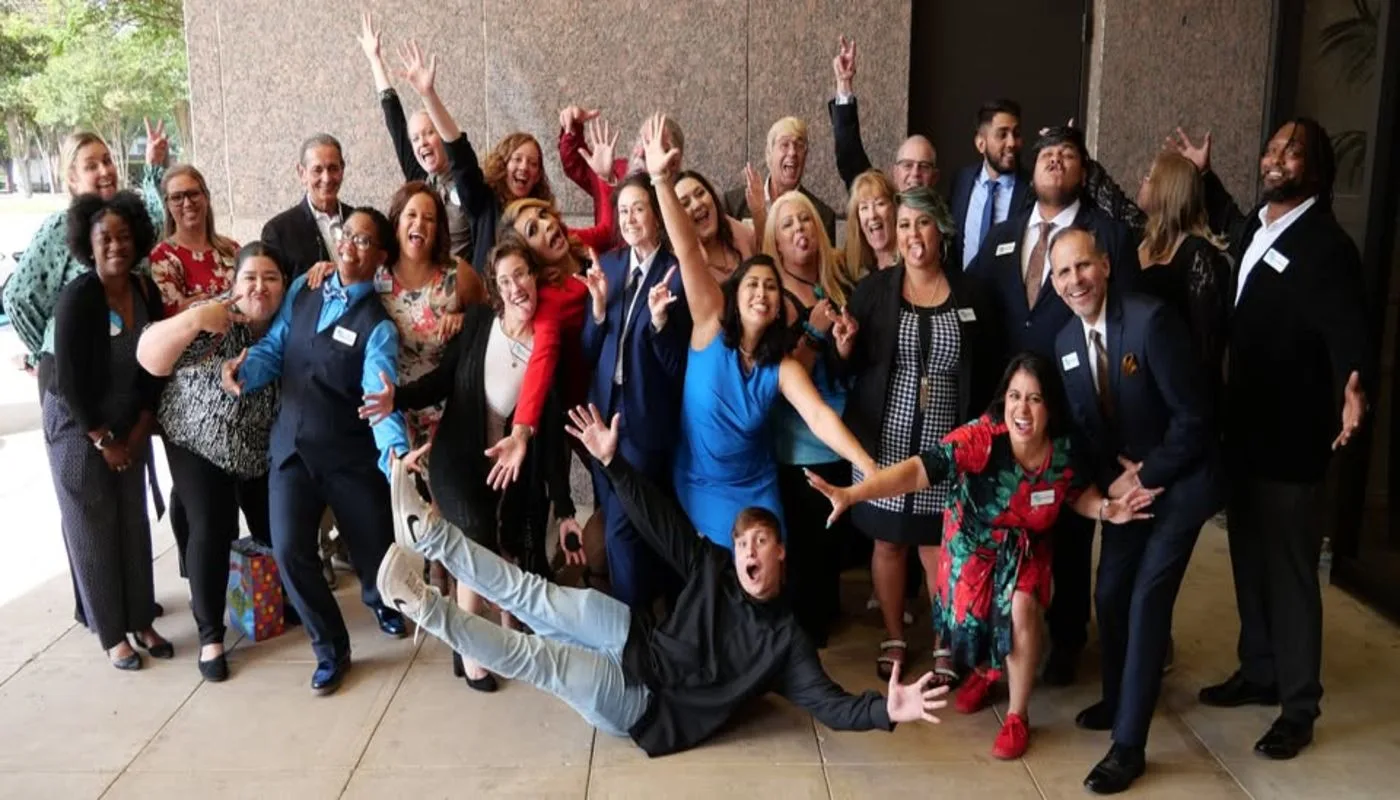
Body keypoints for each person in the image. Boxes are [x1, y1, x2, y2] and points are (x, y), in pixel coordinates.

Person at [374, 402, 951, 757]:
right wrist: (612, 463)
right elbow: (660, 522)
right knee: (534, 594)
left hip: (643, 705)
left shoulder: (786, 642)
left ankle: (422, 606)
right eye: (742, 542)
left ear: (781, 554)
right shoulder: (716, 567)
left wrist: (884, 710)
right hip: (632, 635)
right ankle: (427, 532)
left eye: (759, 543)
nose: (747, 551)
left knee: (536, 658)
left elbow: (829, 704)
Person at [807, 353, 1158, 760]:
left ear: (1050, 406)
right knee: (969, 626)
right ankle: (987, 672)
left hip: (1026, 547)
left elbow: (1076, 494)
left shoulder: (1063, 450)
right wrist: (853, 494)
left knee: (1021, 608)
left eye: (1035, 399)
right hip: (972, 546)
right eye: (1015, 396)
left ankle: (1016, 716)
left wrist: (1106, 510)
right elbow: (917, 471)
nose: (1022, 410)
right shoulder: (981, 439)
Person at [1174, 120, 1371, 760]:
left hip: (1292, 442)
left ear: (1316, 168)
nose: (1278, 157)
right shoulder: (1259, 225)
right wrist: (1205, 175)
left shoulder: (1328, 246)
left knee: (1289, 575)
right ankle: (1259, 670)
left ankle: (1299, 706)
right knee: (1249, 561)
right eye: (1274, 147)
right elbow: (1231, 223)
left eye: (1293, 150)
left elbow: (1349, 327)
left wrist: (1354, 384)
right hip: (1245, 431)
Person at [643, 113, 876, 547]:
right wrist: (659, 179)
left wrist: (868, 466)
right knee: (730, 561)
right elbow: (688, 250)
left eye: (771, 287)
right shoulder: (709, 324)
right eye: (752, 284)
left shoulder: (781, 367)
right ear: (735, 295)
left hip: (758, 482)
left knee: (773, 560)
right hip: (704, 483)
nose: (762, 293)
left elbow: (819, 416)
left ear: (778, 308)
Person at [363, 234, 581, 692]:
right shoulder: (480, 322)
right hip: (457, 460)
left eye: (522, 274)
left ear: (534, 277)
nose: (516, 286)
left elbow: (552, 431)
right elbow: (442, 380)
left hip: (508, 471)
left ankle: (496, 632)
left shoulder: (548, 342)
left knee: (506, 545)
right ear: (495, 288)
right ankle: (472, 652)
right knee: (478, 543)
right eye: (505, 280)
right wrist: (397, 398)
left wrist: (563, 506)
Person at [1049, 228, 1221, 793]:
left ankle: (1129, 745)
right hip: (1127, 490)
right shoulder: (1065, 342)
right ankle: (1118, 698)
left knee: (1147, 598)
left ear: (1104, 265)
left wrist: (1144, 476)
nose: (1075, 281)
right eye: (1063, 273)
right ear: (1054, 284)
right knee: (1109, 592)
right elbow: (1087, 434)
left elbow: (1195, 418)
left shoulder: (1151, 322)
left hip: (1183, 480)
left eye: (1083, 266)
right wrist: (1111, 489)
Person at [971, 125, 1137, 686]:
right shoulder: (1003, 235)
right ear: (1032, 169)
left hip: (1074, 413)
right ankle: (1002, 639)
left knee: (1069, 529)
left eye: (1068, 154)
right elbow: (976, 301)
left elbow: (1126, 323)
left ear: (1083, 171)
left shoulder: (1106, 237)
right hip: (1011, 414)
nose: (1055, 160)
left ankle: (1067, 638)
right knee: (1008, 527)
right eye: (1046, 154)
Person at [223, 207, 411, 695]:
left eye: (364, 240)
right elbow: (275, 348)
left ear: (381, 257)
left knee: (373, 550)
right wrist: (246, 370)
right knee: (290, 553)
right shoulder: (302, 292)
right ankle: (331, 649)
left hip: (348, 458)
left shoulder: (378, 326)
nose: (350, 244)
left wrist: (394, 455)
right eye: (347, 234)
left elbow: (379, 399)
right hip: (291, 451)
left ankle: (380, 601)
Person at [837, 186, 1003, 682]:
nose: (913, 234)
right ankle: (893, 635)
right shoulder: (874, 291)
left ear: (941, 230)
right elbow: (848, 366)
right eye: (905, 224)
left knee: (938, 548)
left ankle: (942, 642)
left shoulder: (972, 294)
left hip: (943, 449)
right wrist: (842, 347)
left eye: (922, 223)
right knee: (888, 543)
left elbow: (990, 368)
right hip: (884, 443)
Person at [137, 243, 288, 682]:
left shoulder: (289, 323)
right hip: (196, 436)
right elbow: (148, 355)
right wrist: (194, 319)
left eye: (271, 278)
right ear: (233, 283)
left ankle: (279, 599)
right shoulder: (215, 316)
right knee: (213, 523)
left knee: (274, 524)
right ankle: (210, 637)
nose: (259, 287)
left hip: (255, 447)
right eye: (250, 278)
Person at [48, 191, 171, 670]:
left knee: (133, 520)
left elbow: (156, 366)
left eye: (123, 236)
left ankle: (141, 619)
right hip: (78, 425)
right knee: (93, 526)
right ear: (89, 245)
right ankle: (113, 635)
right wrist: (102, 440)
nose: (116, 246)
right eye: (105, 239)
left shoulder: (145, 291)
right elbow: (69, 382)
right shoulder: (79, 298)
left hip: (128, 421)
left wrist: (138, 432)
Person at [579, 174, 692, 608]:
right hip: (601, 416)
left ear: (657, 215)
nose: (628, 219)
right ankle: (649, 610)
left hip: (643, 422)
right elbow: (589, 350)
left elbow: (679, 369)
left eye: (638, 208)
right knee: (620, 521)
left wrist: (661, 324)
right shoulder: (608, 267)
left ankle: (631, 628)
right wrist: (597, 310)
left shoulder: (676, 273)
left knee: (621, 530)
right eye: (622, 210)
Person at [761, 189, 857, 646]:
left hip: (838, 437)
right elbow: (784, 378)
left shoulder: (835, 286)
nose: (799, 229)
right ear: (776, 244)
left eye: (805, 221)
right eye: (787, 224)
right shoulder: (774, 299)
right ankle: (805, 635)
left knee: (829, 544)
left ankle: (824, 617)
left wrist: (844, 346)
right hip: (798, 445)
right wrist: (816, 334)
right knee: (804, 545)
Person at [148, 163, 241, 585]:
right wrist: (217, 305)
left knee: (222, 499)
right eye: (177, 197)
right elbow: (175, 316)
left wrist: (202, 303)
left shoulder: (231, 249)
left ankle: (226, 585)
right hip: (188, 398)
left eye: (194, 193)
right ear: (168, 205)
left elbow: (248, 299)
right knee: (205, 506)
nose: (187, 203)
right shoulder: (163, 258)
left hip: (236, 387)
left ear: (206, 196)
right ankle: (204, 594)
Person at [358, 12, 478, 262]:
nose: (421, 142)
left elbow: (457, 147)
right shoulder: (420, 181)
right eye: (415, 139)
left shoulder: (467, 181)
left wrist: (427, 94)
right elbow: (394, 122)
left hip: (460, 280)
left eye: (429, 133)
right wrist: (375, 60)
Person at [1134, 151, 1230, 415]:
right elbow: (1112, 202)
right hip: (1140, 388)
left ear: (1167, 189)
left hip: (1178, 397)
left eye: (1149, 176)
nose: (1142, 181)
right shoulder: (1139, 238)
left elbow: (1207, 348)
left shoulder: (1198, 254)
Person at [828, 35, 937, 193]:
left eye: (924, 166)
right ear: (895, 173)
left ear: (935, 177)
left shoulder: (948, 210)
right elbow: (850, 157)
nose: (915, 173)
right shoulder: (881, 204)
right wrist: (844, 84)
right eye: (907, 165)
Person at [725, 117, 838, 243]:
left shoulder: (822, 216)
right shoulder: (733, 204)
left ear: (805, 156)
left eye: (799, 146)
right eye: (784, 145)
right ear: (769, 153)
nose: (793, 152)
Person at [949, 100, 1032, 270]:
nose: (1012, 143)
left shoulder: (1032, 188)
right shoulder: (962, 181)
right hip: (963, 284)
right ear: (981, 144)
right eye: (1002, 135)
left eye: (1016, 134)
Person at [261, 134, 355, 281]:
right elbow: (274, 287)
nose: (327, 178)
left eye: (333, 168)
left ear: (342, 170)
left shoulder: (361, 221)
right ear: (302, 173)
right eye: (317, 170)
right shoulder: (279, 231)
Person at [675, 169, 756, 281]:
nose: (697, 204)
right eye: (685, 204)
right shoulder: (678, 268)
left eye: (700, 193)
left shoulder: (735, 230)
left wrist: (759, 214)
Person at [843, 170, 900, 272]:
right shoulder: (854, 271)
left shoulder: (911, 265)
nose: (872, 215)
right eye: (864, 207)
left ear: (895, 209)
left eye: (880, 204)